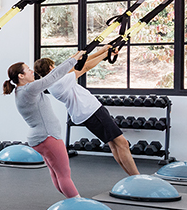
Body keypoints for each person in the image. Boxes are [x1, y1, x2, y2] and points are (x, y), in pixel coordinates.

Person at [34, 46, 140, 176]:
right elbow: (85, 67)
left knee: (115, 144)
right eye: (54, 65)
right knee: (122, 143)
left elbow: (81, 63)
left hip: (90, 113)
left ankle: (132, 177)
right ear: (51, 68)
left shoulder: (52, 82)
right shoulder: (59, 82)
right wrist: (105, 54)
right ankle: (136, 177)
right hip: (92, 112)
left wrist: (103, 51)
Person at [3, 51, 85, 199]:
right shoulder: (29, 89)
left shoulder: (20, 90)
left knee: (56, 173)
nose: (32, 71)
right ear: (21, 76)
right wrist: (74, 58)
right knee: (64, 174)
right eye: (28, 69)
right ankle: (78, 204)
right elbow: (54, 76)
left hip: (41, 138)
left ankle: (70, 202)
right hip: (48, 137)